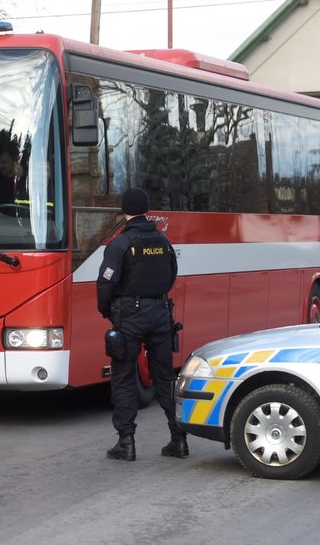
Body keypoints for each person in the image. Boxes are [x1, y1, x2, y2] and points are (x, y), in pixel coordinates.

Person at [97, 187, 185, 461]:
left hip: (130, 316)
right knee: (165, 378)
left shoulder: (121, 243)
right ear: (146, 210)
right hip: (159, 313)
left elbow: (106, 282)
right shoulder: (162, 240)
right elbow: (172, 275)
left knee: (123, 377)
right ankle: (178, 439)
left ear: (125, 210)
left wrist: (107, 310)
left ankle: (126, 443)